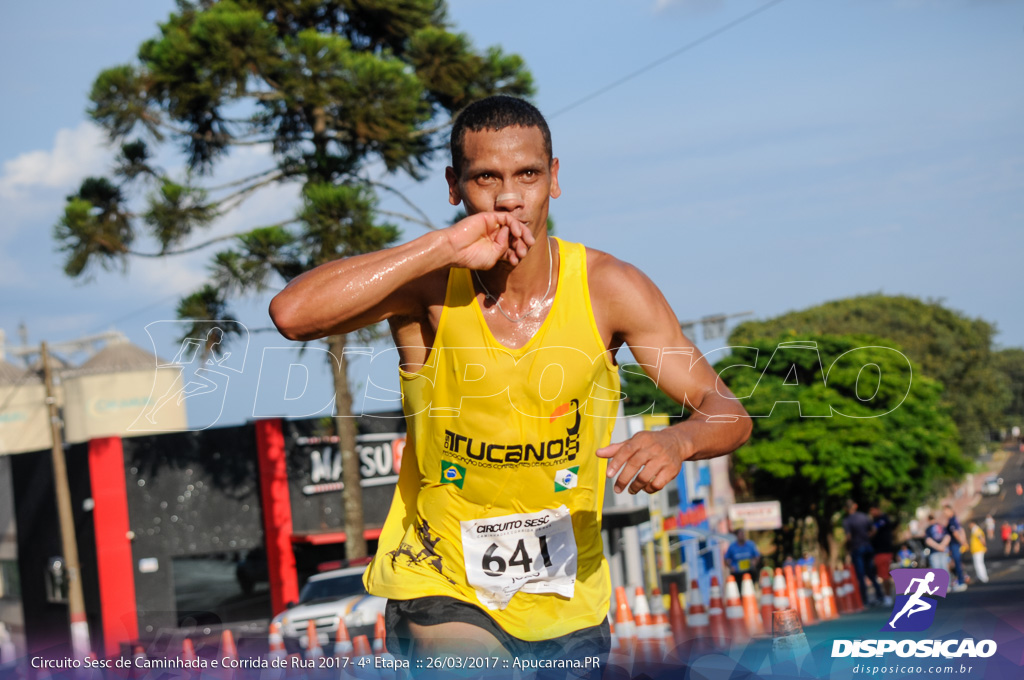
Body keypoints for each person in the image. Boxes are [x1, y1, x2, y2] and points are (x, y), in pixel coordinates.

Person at [269, 96, 752, 670]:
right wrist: (443, 245)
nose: (508, 196)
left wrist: (680, 440)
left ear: (554, 177)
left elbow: (725, 408)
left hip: (569, 596)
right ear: (454, 186)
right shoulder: (428, 286)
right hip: (440, 577)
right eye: (484, 178)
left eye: (527, 174)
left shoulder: (609, 288)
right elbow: (291, 314)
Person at [842, 500, 888, 606]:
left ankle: (864, 600)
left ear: (845, 508)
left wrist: (847, 547)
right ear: (855, 506)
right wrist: (867, 538)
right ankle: (880, 596)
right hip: (868, 547)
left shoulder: (847, 520)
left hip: (857, 548)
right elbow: (873, 530)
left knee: (860, 575)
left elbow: (848, 537)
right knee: (870, 573)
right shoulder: (864, 516)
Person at [869, 505, 896, 599]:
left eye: (873, 510)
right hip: (880, 551)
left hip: (883, 551)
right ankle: (888, 594)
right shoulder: (876, 520)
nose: (872, 513)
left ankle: (887, 596)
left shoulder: (882, 519)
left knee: (884, 575)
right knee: (884, 575)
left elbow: (873, 531)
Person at [943, 505, 967, 592]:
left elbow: (956, 533)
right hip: (955, 545)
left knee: (957, 564)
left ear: (950, 510)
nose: (944, 513)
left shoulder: (952, 520)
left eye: (945, 511)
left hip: (954, 544)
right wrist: (963, 540)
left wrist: (962, 542)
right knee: (956, 563)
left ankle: (961, 582)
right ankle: (960, 581)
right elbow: (961, 530)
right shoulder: (954, 519)